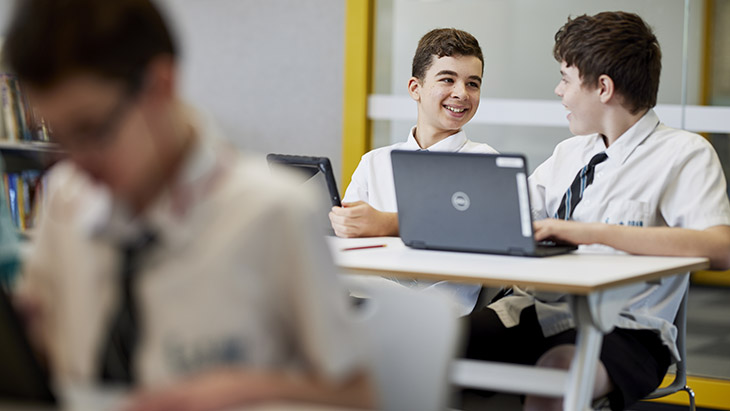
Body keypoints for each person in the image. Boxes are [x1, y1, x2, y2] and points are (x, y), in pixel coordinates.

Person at [3, 1, 372, 410]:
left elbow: (356, 396)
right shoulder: (67, 196)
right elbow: (43, 351)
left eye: (91, 130)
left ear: (159, 85)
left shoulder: (273, 212)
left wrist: (243, 390)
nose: (77, 162)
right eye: (61, 137)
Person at [465, 11, 730, 411]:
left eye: (566, 78)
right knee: (420, 350)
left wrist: (587, 231)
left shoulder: (683, 153)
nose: (559, 90)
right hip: (536, 310)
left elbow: (720, 248)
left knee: (558, 377)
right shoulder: (570, 152)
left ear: (603, 87)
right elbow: (511, 216)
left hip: (628, 329)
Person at [330, 28, 498, 315]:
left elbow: (471, 230)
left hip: (440, 313)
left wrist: (385, 224)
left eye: (473, 84)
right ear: (415, 88)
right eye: (448, 79)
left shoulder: (486, 163)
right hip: (364, 301)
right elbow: (351, 247)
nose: (461, 93)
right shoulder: (375, 162)